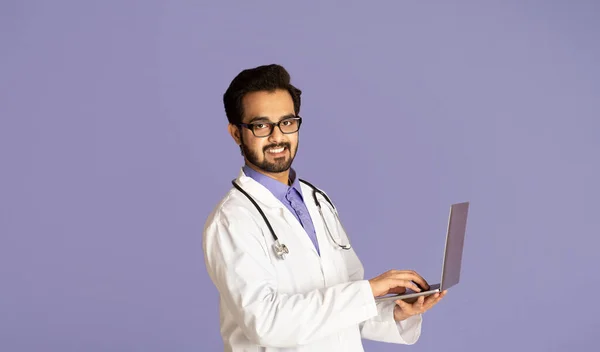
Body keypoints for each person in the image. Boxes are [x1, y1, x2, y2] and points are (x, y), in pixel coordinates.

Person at [202, 64, 447, 351]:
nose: (277, 136)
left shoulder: (317, 200)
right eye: (261, 125)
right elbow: (266, 324)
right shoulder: (233, 220)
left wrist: (395, 311)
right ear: (236, 133)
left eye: (287, 122)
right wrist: (367, 292)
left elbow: (345, 303)